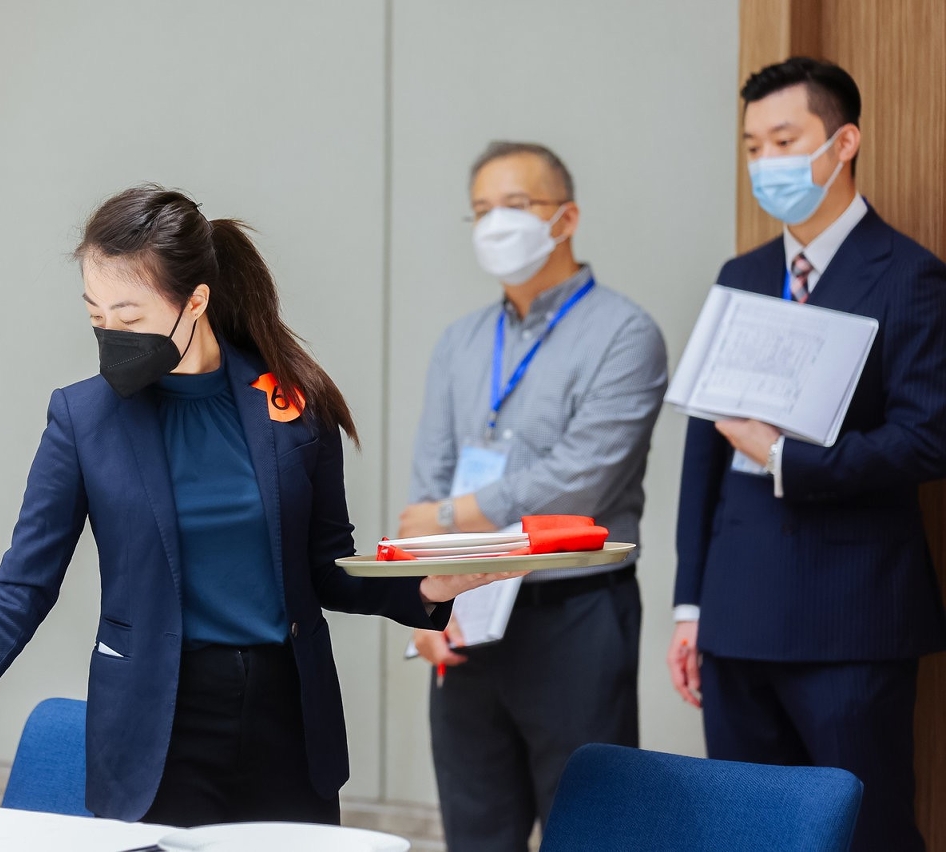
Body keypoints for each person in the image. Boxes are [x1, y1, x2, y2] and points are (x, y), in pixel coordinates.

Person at [0, 185, 514, 826]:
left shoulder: (291, 404)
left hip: (286, 723)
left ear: (196, 300)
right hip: (155, 730)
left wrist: (425, 589)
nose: (111, 334)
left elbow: (325, 569)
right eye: (96, 317)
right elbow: (20, 590)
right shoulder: (83, 419)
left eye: (129, 317)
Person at [667, 57, 946, 852]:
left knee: (866, 831)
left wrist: (790, 460)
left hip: (851, 620)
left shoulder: (911, 277)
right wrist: (690, 608)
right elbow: (703, 457)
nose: (766, 163)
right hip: (736, 616)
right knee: (745, 833)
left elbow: (927, 438)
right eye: (753, 147)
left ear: (843, 142)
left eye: (784, 142)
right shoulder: (742, 274)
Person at [404, 142, 668, 851]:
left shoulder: (624, 334)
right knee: (474, 832)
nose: (496, 224)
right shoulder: (460, 342)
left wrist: (453, 515)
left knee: (590, 831)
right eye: (482, 209)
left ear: (566, 218)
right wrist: (420, 599)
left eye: (516, 205)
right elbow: (427, 481)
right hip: (468, 615)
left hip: (574, 616)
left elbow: (580, 482)